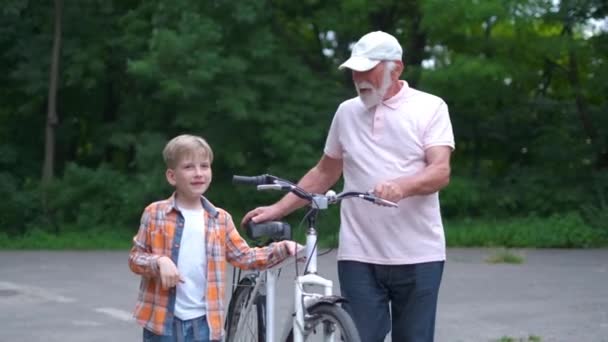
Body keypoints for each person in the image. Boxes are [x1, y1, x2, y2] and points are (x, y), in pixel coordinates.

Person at [242, 31, 455, 342]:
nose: (359, 78)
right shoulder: (346, 112)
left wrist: (403, 186)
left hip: (419, 254)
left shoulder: (430, 107)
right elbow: (324, 171)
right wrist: (278, 209)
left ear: (396, 68)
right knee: (358, 336)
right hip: (360, 253)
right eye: (356, 71)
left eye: (367, 70)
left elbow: (440, 171)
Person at [128, 134, 299, 342]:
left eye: (204, 166)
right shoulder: (155, 213)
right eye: (189, 167)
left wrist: (282, 248)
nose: (198, 173)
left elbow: (244, 257)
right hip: (163, 324)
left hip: (205, 326)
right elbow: (135, 258)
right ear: (172, 176)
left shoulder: (220, 219)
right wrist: (159, 261)